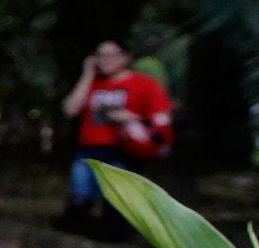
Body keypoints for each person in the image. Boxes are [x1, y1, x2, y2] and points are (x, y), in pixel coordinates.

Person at [56, 40, 174, 236]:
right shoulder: (93, 83)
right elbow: (70, 109)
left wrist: (128, 117)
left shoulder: (144, 84)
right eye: (100, 55)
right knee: (80, 197)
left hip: (123, 149)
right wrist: (88, 73)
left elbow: (160, 119)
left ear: (126, 57)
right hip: (89, 150)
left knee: (116, 200)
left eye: (111, 55)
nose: (105, 60)